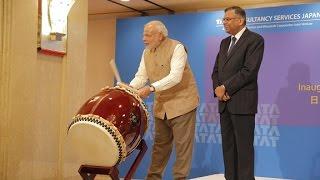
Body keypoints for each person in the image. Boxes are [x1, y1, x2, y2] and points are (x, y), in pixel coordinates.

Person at [129, 20, 199, 180]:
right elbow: (141, 76)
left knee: (183, 147)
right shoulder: (146, 52)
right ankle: (153, 178)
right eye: (143, 34)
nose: (143, 38)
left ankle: (180, 178)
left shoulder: (177, 47)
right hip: (162, 106)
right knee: (160, 147)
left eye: (148, 34)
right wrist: (130, 88)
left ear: (160, 35)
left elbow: (175, 77)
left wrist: (151, 88)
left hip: (183, 104)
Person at [211, 6, 264, 180]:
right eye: (223, 19)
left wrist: (225, 87)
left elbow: (249, 71)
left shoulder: (255, 40)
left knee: (244, 148)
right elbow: (216, 71)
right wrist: (218, 90)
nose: (224, 22)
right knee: (228, 147)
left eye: (227, 19)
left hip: (242, 102)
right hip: (224, 103)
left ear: (240, 21)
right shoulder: (224, 42)